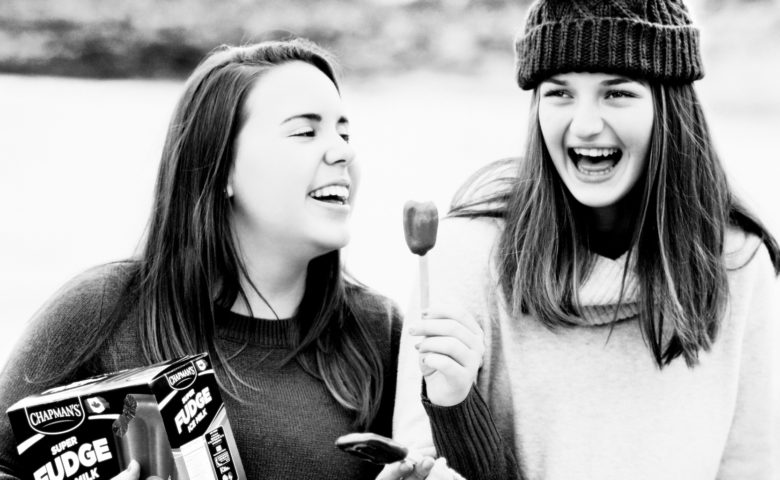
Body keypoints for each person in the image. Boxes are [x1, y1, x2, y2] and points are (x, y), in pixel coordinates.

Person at [0, 39, 454, 480]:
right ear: (220, 168)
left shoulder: (382, 332)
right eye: (305, 131)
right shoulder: (103, 310)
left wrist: (458, 400)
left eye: (345, 131)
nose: (345, 150)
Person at [392, 1, 780, 479]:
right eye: (559, 93)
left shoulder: (738, 261)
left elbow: (750, 465)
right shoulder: (462, 256)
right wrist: (452, 406)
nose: (585, 124)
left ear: (670, 107)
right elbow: (417, 464)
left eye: (616, 93)